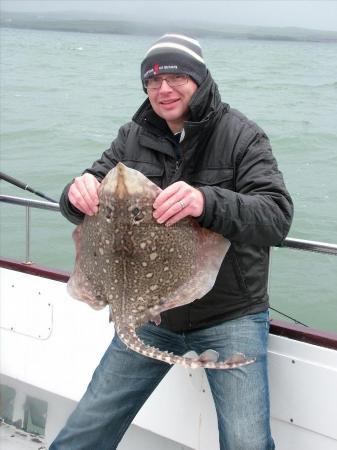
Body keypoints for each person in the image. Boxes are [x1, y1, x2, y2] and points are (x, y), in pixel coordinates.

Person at [50, 33, 293, 450]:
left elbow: (276, 216)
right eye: (152, 81)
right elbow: (85, 192)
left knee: (246, 442)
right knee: (86, 429)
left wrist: (205, 201)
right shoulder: (132, 136)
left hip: (230, 316)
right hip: (148, 314)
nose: (164, 89)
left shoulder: (241, 136)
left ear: (200, 79)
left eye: (177, 76)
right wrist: (75, 195)